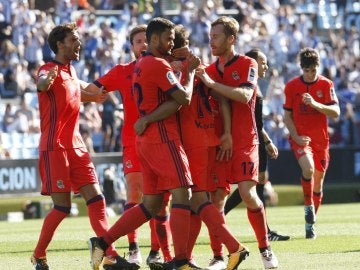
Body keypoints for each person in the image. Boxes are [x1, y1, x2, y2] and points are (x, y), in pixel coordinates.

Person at [88, 17, 200, 270]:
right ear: (155, 39)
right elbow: (183, 98)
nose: (171, 43)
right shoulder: (158, 65)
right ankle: (180, 261)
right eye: (168, 38)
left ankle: (102, 242)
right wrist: (190, 71)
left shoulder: (141, 65)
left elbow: (167, 98)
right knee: (184, 195)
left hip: (145, 141)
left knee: (150, 204)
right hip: (163, 138)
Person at [136, 24, 249, 270]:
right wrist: (226, 132)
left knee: (195, 200)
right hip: (199, 139)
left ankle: (218, 251)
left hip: (193, 141)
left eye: (172, 43)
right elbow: (220, 99)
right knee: (192, 202)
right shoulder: (195, 66)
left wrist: (227, 133)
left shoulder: (177, 68)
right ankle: (184, 258)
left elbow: (190, 99)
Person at [30, 22, 130, 270]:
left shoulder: (72, 73)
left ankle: (109, 254)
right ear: (60, 44)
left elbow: (75, 91)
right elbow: (42, 83)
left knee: (97, 199)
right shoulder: (49, 68)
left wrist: (94, 97)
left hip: (77, 146)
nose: (79, 43)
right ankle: (39, 255)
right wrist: (44, 82)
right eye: (73, 39)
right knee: (62, 207)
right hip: (55, 147)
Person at [84, 24, 173, 266]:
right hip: (134, 142)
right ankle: (133, 247)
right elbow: (88, 90)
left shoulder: (166, 67)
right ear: (131, 46)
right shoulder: (122, 71)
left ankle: (157, 251)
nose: (143, 44)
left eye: (146, 40)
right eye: (138, 41)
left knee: (162, 200)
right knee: (135, 192)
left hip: (163, 142)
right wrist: (93, 97)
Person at [195, 16, 279, 269]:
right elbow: (220, 101)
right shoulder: (210, 69)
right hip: (221, 142)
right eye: (210, 37)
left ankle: (265, 249)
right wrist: (225, 133)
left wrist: (211, 83)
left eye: (216, 37)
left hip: (245, 141)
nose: (211, 41)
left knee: (247, 193)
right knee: (216, 199)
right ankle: (218, 256)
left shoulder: (247, 63)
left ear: (231, 39)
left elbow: (243, 96)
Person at [223, 48, 290, 242]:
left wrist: (267, 140)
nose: (266, 66)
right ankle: (261, 230)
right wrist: (267, 140)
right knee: (253, 184)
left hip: (256, 137)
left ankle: (264, 229)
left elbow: (256, 121)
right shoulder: (249, 86)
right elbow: (252, 121)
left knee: (257, 182)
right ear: (251, 63)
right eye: (263, 62)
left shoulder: (255, 85)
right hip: (251, 139)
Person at [283, 47, 340, 239]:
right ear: (302, 69)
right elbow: (287, 117)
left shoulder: (326, 84)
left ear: (318, 67)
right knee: (308, 169)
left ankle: (310, 224)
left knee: (318, 184)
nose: (309, 74)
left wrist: (315, 104)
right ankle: (308, 207)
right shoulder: (291, 87)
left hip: (321, 140)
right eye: (306, 71)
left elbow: (336, 112)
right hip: (301, 139)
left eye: (313, 70)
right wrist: (296, 137)